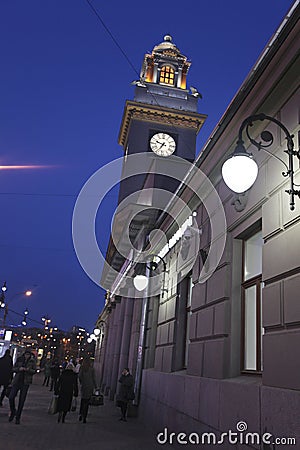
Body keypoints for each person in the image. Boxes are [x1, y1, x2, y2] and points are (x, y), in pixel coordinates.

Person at [9, 350, 36, 424]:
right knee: (11, 397)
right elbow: (13, 368)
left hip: (25, 382)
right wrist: (19, 369)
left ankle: (18, 417)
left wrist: (28, 370)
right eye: (26, 354)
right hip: (17, 381)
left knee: (22, 400)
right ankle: (13, 411)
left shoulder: (32, 361)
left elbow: (34, 371)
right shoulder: (20, 359)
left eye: (28, 355)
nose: (27, 356)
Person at [78, 357, 97, 423]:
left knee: (83, 400)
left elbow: (80, 376)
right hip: (90, 387)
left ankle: (81, 414)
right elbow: (94, 378)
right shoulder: (92, 369)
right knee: (87, 402)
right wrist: (96, 387)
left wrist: (81, 382)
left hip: (84, 386)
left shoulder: (82, 368)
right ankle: (84, 417)